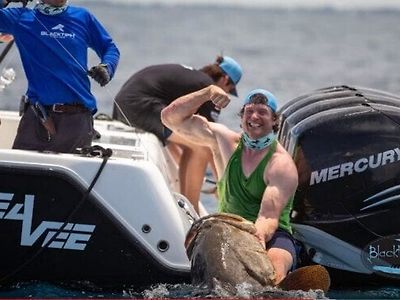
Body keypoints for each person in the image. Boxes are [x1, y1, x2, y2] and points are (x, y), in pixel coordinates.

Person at [161, 86, 299, 284]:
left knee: (275, 271)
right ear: (242, 117)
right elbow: (170, 118)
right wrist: (207, 93)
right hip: (227, 227)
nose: (255, 116)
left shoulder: (280, 164)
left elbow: (268, 217)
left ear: (274, 120)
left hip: (270, 234)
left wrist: (255, 240)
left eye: (262, 112)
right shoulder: (224, 141)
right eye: (249, 111)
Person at [112, 56, 242, 213]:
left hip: (123, 105)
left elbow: (180, 131)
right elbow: (211, 140)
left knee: (192, 145)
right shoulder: (209, 89)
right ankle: (191, 211)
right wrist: (222, 184)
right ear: (225, 80)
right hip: (140, 106)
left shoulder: (191, 78)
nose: (226, 93)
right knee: (201, 146)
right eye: (230, 89)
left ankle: (184, 201)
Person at [0, 0, 120, 153]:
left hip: (76, 121)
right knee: (17, 176)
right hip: (36, 120)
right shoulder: (20, 18)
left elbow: (109, 48)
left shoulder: (83, 17)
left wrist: (107, 68)